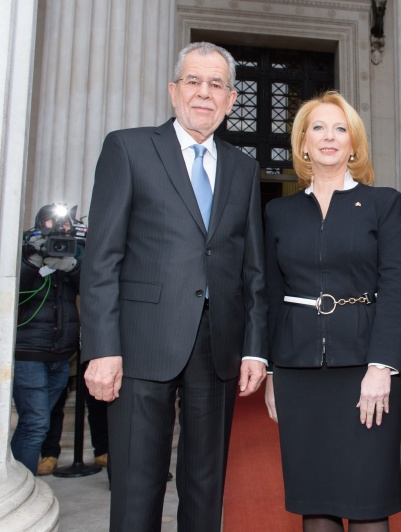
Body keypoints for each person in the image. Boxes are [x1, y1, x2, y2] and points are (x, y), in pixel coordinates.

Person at [80, 41, 267, 531]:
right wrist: (101, 348)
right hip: (140, 345)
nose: (204, 94)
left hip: (217, 348)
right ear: (173, 91)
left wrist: (255, 349)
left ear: (231, 100)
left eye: (217, 85)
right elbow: (101, 259)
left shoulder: (244, 168)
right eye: (193, 82)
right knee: (137, 486)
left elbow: (253, 270)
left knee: (206, 488)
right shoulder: (128, 148)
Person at [263, 91, 401, 532]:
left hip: (365, 369)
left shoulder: (383, 203)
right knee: (317, 501)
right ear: (303, 144)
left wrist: (382, 367)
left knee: (368, 502)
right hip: (298, 370)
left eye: (341, 128)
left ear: (354, 145)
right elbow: (270, 295)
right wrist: (272, 373)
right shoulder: (278, 211)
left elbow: (396, 287)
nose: (330, 137)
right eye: (319, 128)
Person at [12, 204, 82, 475]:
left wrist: (73, 266)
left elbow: (92, 285)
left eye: (65, 224)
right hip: (29, 353)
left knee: (36, 421)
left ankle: (18, 476)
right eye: (53, 222)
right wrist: (32, 261)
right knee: (36, 422)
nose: (60, 229)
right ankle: (24, 486)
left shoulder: (75, 253)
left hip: (61, 356)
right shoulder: (23, 251)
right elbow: (13, 290)